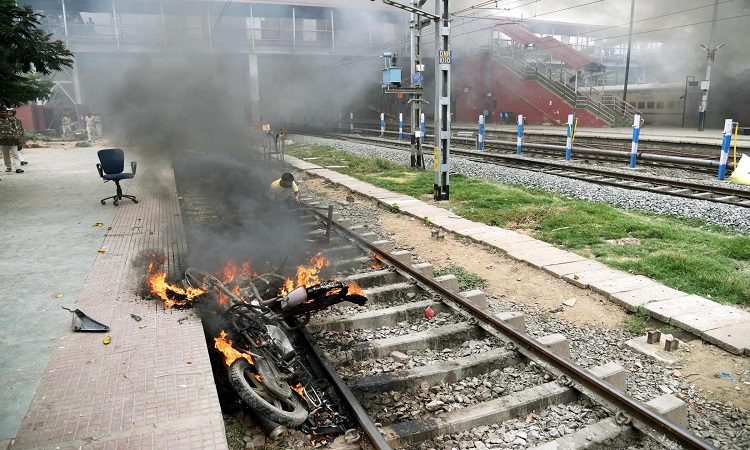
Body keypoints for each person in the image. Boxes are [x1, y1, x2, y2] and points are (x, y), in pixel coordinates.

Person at [0, 108, 25, 173]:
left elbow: (19, 130)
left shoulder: (13, 120)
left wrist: (20, 140)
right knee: (6, 155)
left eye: (5, 112)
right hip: (2, 141)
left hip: (13, 140)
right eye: (2, 112)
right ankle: (8, 167)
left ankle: (18, 168)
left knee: (15, 154)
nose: (4, 113)